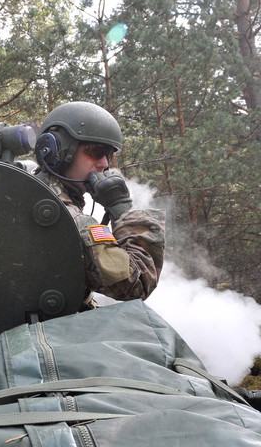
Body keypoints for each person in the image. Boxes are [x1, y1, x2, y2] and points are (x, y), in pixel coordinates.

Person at [34, 101, 164, 308]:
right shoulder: (70, 220)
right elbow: (137, 284)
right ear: (58, 152)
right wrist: (121, 209)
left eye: (108, 154)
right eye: (95, 151)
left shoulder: (30, 188)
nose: (104, 163)